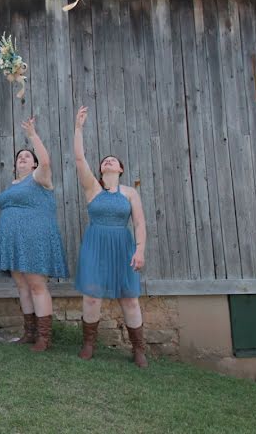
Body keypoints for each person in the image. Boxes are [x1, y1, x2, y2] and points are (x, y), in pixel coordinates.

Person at [73, 106, 148, 366]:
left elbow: (139, 223)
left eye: (113, 161)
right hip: (95, 246)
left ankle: (138, 349)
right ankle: (89, 343)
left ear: (121, 169)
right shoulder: (93, 188)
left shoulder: (130, 193)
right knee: (92, 296)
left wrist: (140, 250)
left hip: (123, 247)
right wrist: (79, 128)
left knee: (129, 298)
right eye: (105, 161)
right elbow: (80, 159)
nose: (108, 162)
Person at [0, 117, 69, 352]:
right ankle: (29, 332)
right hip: (14, 240)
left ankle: (44, 338)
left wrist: (33, 135)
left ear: (34, 165)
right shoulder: (13, 185)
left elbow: (46, 162)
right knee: (22, 286)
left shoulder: (39, 179)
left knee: (36, 285)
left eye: (27, 156)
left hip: (35, 238)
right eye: (19, 157)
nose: (22, 158)